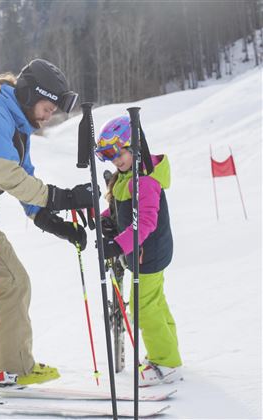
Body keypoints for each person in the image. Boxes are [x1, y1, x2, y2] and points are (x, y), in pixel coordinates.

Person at [0, 58, 93, 384]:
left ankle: (14, 369)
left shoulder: (19, 128)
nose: (50, 113)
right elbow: (7, 175)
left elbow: (25, 177)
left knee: (13, 282)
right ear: (27, 94)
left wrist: (49, 219)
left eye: (54, 108)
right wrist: (61, 197)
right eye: (47, 104)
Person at [96, 115, 182, 387]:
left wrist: (117, 244)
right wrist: (105, 219)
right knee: (154, 301)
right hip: (144, 251)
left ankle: (165, 362)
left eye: (119, 152)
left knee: (143, 307)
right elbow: (121, 207)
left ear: (133, 145)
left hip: (149, 252)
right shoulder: (125, 176)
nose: (116, 160)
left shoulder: (143, 180)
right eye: (109, 156)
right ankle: (170, 353)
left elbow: (145, 221)